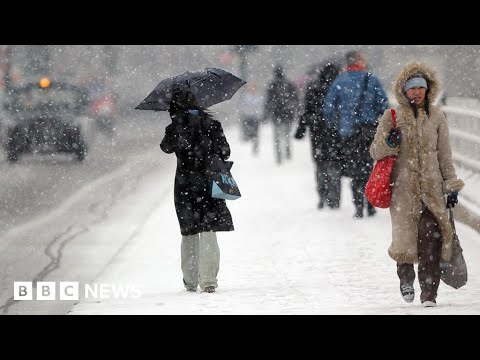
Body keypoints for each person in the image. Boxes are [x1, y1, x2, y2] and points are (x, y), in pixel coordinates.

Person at [370, 62, 465, 307]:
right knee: (404, 242)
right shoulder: (391, 117)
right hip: (402, 192)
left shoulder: (437, 116)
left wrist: (451, 187)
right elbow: (375, 151)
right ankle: (405, 278)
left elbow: (445, 155)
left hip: (432, 192)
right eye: (412, 88)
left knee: (430, 240)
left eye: (421, 88)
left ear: (428, 89)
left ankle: (429, 293)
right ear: (403, 91)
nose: (417, 92)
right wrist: (390, 142)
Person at [160, 84, 234, 293]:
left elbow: (165, 148)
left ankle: (190, 280)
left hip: (184, 184)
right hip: (208, 181)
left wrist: (175, 126)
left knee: (189, 230)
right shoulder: (211, 123)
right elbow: (225, 151)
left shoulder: (176, 127)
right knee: (208, 228)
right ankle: (209, 280)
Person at [323, 50, 388, 218]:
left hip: (348, 132)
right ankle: (370, 202)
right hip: (368, 131)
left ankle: (358, 205)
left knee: (354, 168)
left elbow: (328, 107)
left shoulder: (340, 80)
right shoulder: (371, 79)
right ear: (360, 61)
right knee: (368, 167)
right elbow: (383, 104)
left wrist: (334, 124)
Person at [294, 62, 342, 209]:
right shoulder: (338, 89)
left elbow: (306, 111)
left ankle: (322, 195)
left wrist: (301, 129)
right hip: (335, 133)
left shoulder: (313, 88)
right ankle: (334, 197)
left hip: (317, 134)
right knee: (334, 165)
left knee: (320, 165)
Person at [264, 64, 299, 164]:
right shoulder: (289, 84)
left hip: (276, 114)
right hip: (288, 113)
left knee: (277, 136)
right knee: (287, 134)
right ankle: (287, 148)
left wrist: (266, 114)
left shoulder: (272, 85)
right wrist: (296, 109)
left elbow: (268, 101)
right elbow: (295, 98)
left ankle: (279, 154)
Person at [240, 82, 264, 155]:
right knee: (248, 131)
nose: (253, 89)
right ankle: (248, 142)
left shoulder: (259, 96)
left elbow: (261, 106)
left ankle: (255, 146)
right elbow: (243, 106)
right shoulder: (246, 96)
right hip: (248, 116)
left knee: (256, 132)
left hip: (255, 117)